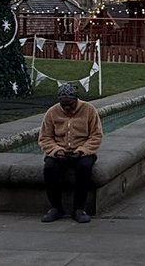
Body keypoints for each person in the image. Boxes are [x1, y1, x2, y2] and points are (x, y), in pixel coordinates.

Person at [39, 82, 103, 223]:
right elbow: (45, 137)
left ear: (76, 100)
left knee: (84, 168)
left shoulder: (89, 110)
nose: (67, 107)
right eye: (63, 104)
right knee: (49, 169)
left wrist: (82, 150)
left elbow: (96, 135)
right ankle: (56, 207)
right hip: (59, 152)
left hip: (83, 151)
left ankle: (79, 208)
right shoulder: (52, 112)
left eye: (70, 104)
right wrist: (56, 150)